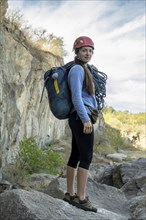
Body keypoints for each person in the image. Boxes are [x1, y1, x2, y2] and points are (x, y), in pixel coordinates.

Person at [63, 36, 98, 213]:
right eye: (84, 50)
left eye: (91, 51)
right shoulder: (77, 70)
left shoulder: (83, 69)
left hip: (77, 116)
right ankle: (81, 198)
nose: (88, 53)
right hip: (81, 116)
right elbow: (77, 97)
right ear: (77, 52)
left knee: (76, 154)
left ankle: (69, 193)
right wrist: (86, 119)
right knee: (86, 156)